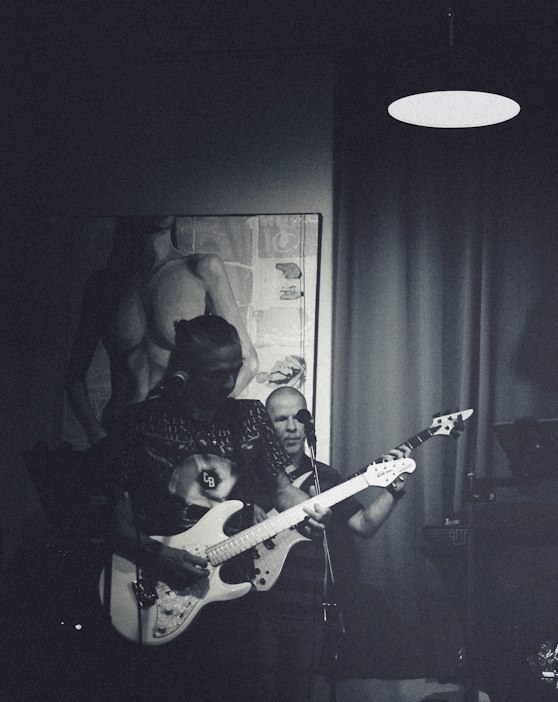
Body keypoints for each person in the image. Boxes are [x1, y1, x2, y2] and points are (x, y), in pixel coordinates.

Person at [107, 314, 324, 701]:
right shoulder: (142, 421)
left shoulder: (250, 417)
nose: (228, 383)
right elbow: (109, 517)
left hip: (230, 589)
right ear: (184, 372)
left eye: (234, 370)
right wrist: (157, 554)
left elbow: (283, 491)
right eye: (215, 374)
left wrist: (308, 508)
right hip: (156, 585)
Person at [257, 385, 410, 700]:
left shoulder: (325, 477)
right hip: (255, 606)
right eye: (281, 419)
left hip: (308, 609)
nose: (292, 427)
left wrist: (393, 491)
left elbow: (364, 525)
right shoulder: (251, 474)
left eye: (299, 418)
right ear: (266, 427)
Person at [66, 216, 258, 446]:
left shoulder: (201, 269)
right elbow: (74, 376)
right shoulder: (104, 284)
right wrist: (95, 432)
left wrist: (206, 421)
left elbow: (249, 362)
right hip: (120, 429)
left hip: (180, 432)